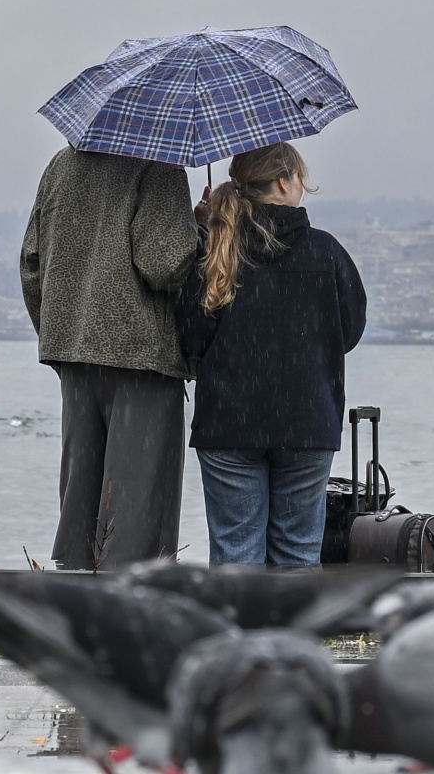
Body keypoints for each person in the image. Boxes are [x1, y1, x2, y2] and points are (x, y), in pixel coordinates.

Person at [177, 142, 367, 566]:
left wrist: (205, 233)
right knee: (298, 555)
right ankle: (293, 615)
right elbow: (350, 331)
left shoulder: (217, 251)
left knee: (235, 555)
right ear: (284, 182)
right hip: (307, 421)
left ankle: (237, 614)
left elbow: (190, 339)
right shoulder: (326, 252)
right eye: (299, 176)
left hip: (229, 424)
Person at [20, 146, 198, 570]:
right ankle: (129, 604)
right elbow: (164, 264)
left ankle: (75, 598)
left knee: (79, 510)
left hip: (74, 356)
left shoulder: (61, 165)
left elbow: (31, 263)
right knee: (138, 515)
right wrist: (199, 230)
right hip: (142, 359)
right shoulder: (158, 162)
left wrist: (62, 335)